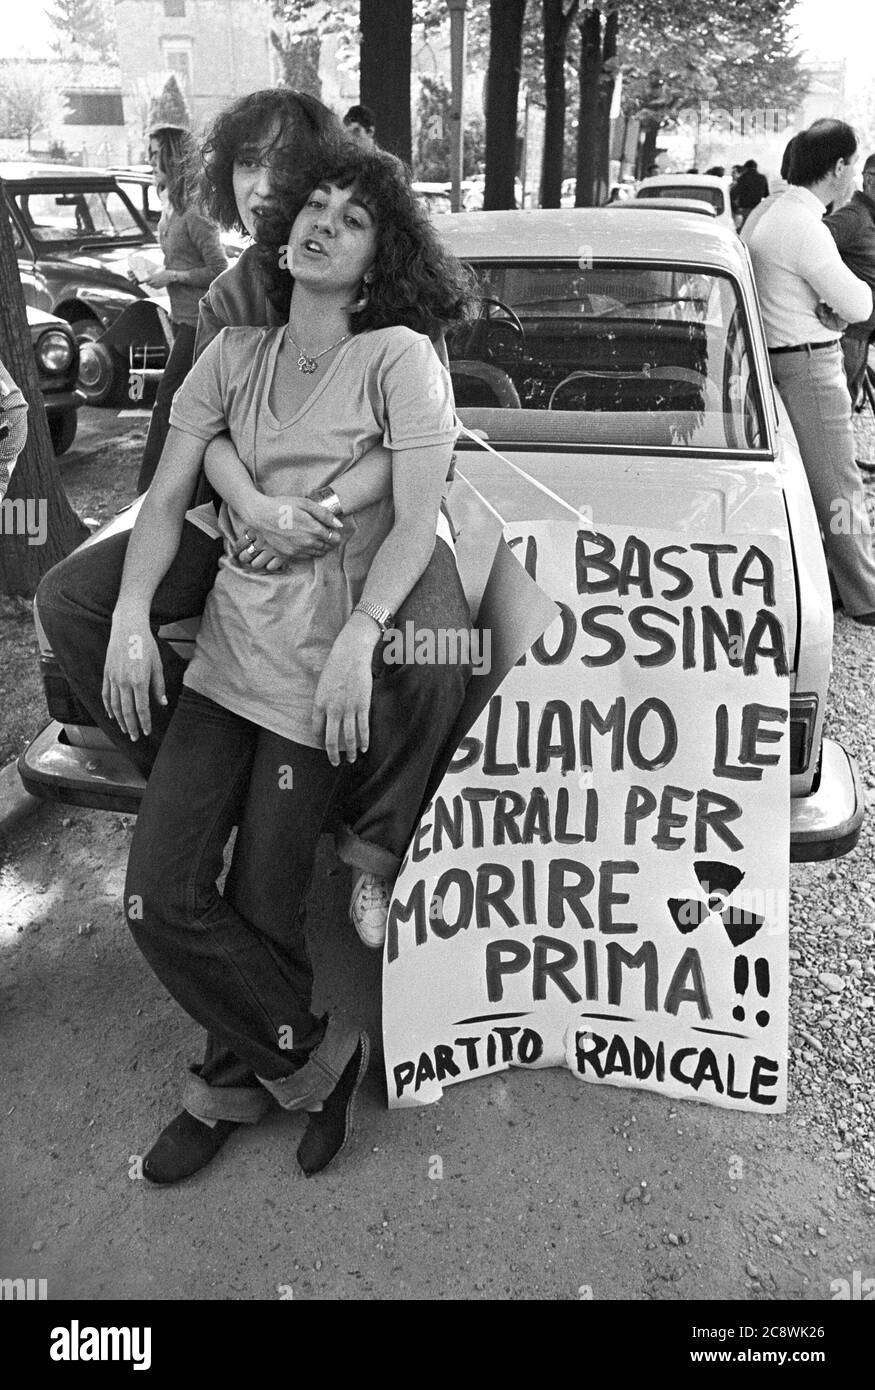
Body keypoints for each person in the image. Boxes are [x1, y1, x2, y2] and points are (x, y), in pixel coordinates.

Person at [106, 143, 472, 1184]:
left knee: (265, 904)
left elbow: (415, 519)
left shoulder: (398, 355)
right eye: (313, 203)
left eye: (351, 217)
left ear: (378, 255)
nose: (321, 222)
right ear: (281, 231)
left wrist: (361, 638)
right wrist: (133, 611)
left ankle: (220, 1093)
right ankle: (314, 1059)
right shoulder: (230, 357)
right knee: (157, 898)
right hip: (224, 664)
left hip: (314, 685)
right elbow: (167, 495)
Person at [36, 88, 472, 951]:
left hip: (372, 501)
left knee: (433, 650)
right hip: (240, 503)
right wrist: (252, 506)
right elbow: (197, 437)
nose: (264, 184)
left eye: (286, 165)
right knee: (75, 600)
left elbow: (423, 437)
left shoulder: (392, 294)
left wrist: (316, 506)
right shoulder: (235, 293)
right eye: (245, 161)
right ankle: (200, 789)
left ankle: (374, 845)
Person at [742, 119, 875, 622]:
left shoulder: (768, 212)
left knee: (817, 482)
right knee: (840, 486)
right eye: (855, 168)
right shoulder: (805, 226)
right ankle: (865, 595)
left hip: (779, 359)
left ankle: (843, 580)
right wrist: (838, 308)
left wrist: (832, 306)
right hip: (809, 364)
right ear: (838, 167)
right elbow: (859, 303)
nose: (855, 180)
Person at [136, 119, 228, 493]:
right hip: (179, 318)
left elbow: (219, 270)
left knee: (167, 403)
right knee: (185, 406)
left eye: (156, 153)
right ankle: (184, 485)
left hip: (198, 323)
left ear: (173, 157)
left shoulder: (194, 211)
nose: (150, 160)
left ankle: (151, 489)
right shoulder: (170, 206)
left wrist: (171, 275)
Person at [824, 152, 875, 408]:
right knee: (840, 409)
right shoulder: (854, 217)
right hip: (849, 335)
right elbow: (813, 244)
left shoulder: (869, 218)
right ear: (868, 180)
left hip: (861, 333)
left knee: (848, 405)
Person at [731, 159, 769, 226]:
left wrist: (734, 207)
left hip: (744, 210)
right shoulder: (762, 178)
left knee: (741, 232)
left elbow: (734, 193)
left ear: (746, 168)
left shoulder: (744, 177)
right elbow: (766, 194)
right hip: (756, 210)